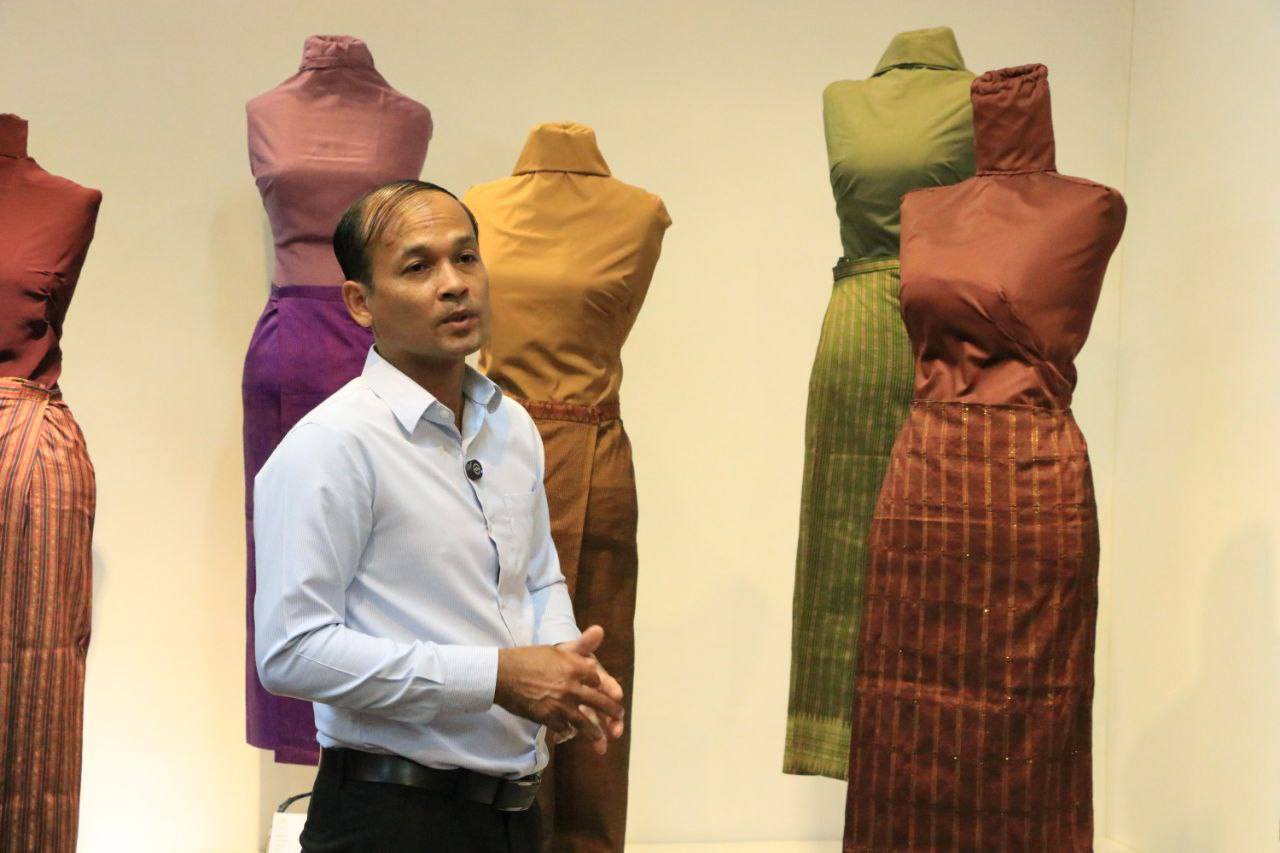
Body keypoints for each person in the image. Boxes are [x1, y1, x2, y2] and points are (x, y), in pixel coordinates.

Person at [253, 179, 626, 852]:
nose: (454, 284)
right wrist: (498, 676)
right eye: (418, 267)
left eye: (466, 257)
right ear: (360, 302)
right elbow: (291, 652)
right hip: (390, 819)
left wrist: (564, 664)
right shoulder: (332, 444)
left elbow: (537, 576)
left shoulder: (511, 424)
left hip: (514, 812)